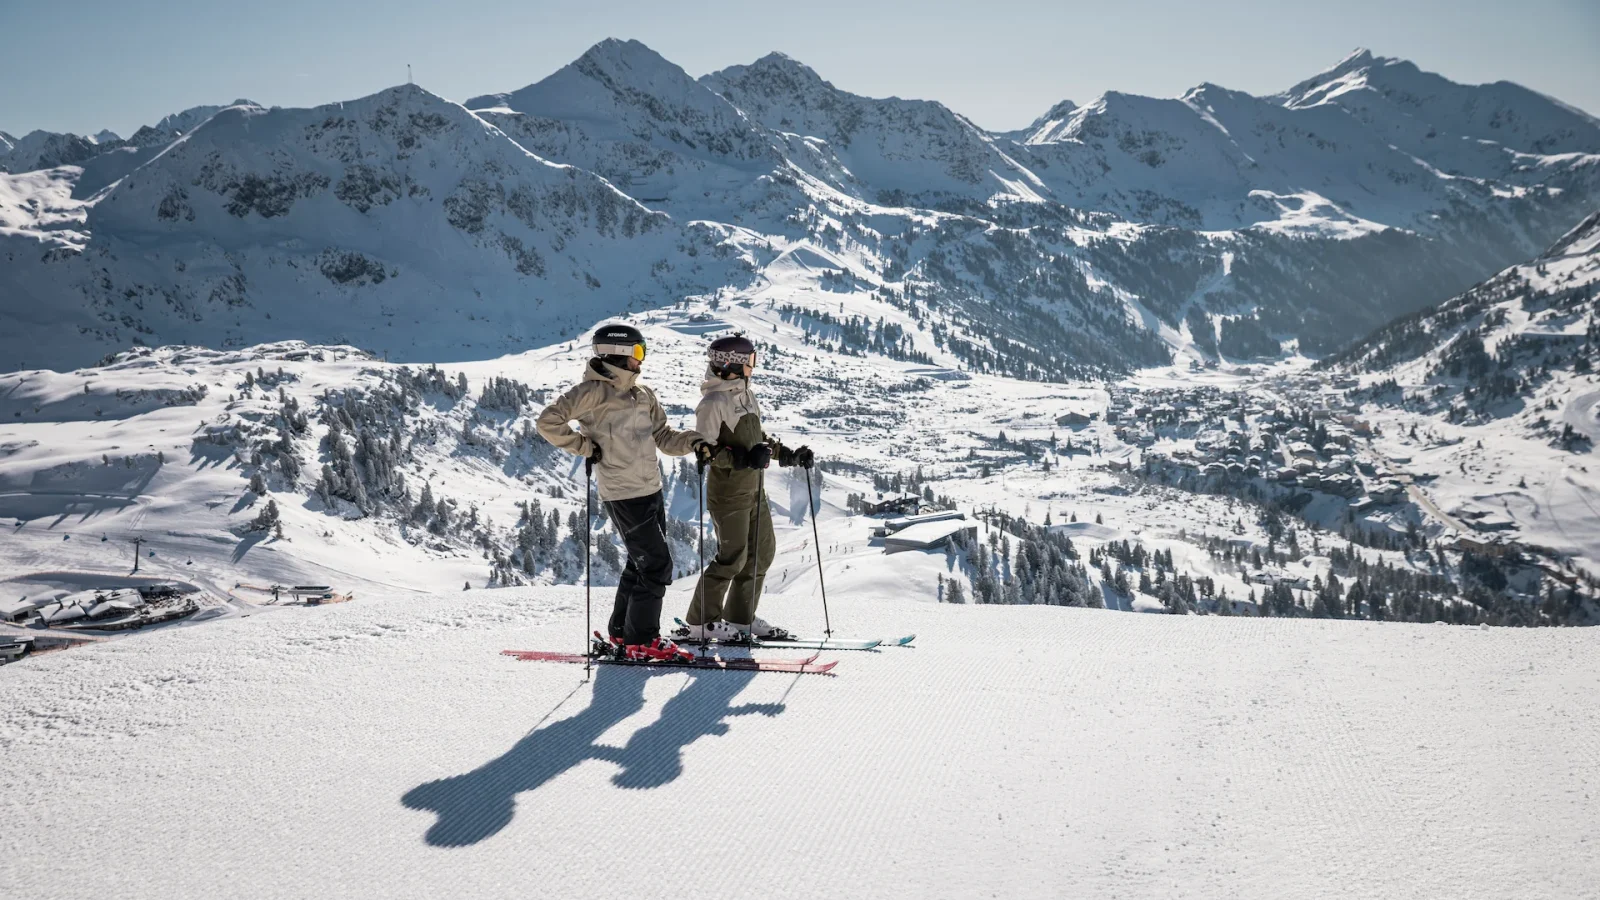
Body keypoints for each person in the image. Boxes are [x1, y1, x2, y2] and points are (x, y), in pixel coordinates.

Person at [536, 323, 714, 661]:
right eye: (637, 352)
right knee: (657, 565)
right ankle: (642, 639)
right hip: (622, 493)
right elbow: (548, 422)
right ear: (616, 354)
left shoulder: (642, 394)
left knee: (640, 561)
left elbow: (664, 437)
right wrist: (584, 446)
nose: (641, 359)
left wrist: (694, 442)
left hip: (651, 489)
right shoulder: (590, 393)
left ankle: (622, 631)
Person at [677, 335, 813, 643]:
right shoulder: (713, 403)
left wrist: (789, 455)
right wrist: (744, 459)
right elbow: (707, 451)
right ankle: (702, 622)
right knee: (732, 558)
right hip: (728, 494)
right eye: (750, 360)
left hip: (753, 490)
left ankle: (739, 618)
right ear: (733, 364)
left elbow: (757, 440)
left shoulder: (746, 395)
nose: (754, 365)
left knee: (761, 553)